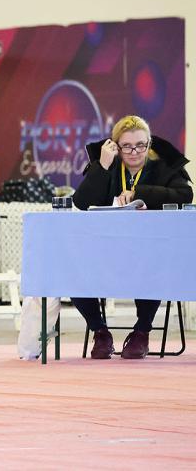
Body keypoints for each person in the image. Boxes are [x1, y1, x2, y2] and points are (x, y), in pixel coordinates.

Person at [72, 115, 192, 359]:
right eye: (127, 146)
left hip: (148, 251)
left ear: (149, 144)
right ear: (115, 145)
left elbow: (185, 194)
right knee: (73, 273)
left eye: (141, 145)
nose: (135, 151)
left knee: (152, 266)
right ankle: (100, 332)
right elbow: (81, 202)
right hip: (104, 249)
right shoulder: (108, 164)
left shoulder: (162, 164)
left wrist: (141, 193)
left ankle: (141, 333)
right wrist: (102, 166)